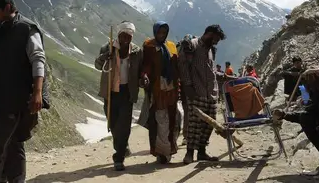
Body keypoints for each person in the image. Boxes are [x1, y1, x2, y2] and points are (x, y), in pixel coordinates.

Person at [0, 0, 49, 183]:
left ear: (7, 8)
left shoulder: (26, 29)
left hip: (17, 98)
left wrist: (38, 93)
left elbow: (38, 60)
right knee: (11, 143)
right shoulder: (0, 29)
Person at [274, 66, 319, 169]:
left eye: (313, 80)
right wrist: (284, 115)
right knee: (306, 117)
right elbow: (308, 113)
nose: (310, 85)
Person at [94, 21, 143, 171]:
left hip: (127, 92)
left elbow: (140, 69)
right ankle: (122, 145)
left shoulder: (136, 51)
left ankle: (119, 157)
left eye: (129, 36)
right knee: (113, 123)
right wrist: (105, 56)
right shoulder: (107, 47)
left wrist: (143, 78)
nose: (126, 39)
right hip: (110, 92)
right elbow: (97, 65)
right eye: (123, 35)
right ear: (118, 35)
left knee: (124, 125)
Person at [178, 24, 226, 164]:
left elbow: (211, 70)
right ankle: (189, 153)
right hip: (196, 91)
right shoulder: (190, 45)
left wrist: (224, 77)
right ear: (209, 34)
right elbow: (183, 66)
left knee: (209, 124)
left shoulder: (211, 50)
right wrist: (187, 86)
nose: (216, 42)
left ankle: (202, 152)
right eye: (215, 39)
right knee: (194, 123)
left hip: (211, 93)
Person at [137, 21, 181, 164]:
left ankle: (169, 149)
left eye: (164, 32)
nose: (162, 35)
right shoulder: (149, 46)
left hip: (172, 89)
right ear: (155, 32)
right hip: (158, 89)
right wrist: (144, 75)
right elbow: (146, 65)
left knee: (174, 119)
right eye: (159, 32)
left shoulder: (172, 46)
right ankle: (162, 152)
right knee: (161, 120)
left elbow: (176, 65)